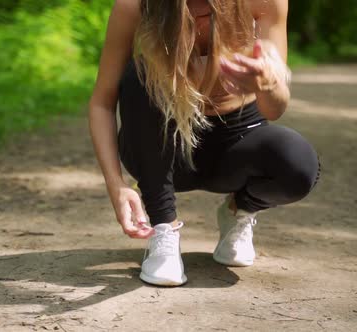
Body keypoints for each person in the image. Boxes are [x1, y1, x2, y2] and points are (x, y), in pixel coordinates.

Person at [88, 0, 320, 286]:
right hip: (163, 151)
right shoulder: (135, 5)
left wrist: (269, 83)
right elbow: (102, 102)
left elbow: (274, 110)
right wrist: (116, 185)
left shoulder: (264, 2)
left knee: (298, 164)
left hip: (236, 146)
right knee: (139, 75)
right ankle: (164, 228)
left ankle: (240, 210)